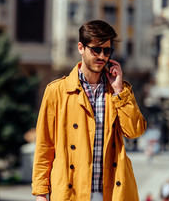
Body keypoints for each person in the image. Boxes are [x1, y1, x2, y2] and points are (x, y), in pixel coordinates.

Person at [32, 20, 147, 201]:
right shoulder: (57, 91)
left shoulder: (118, 90)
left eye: (107, 51)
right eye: (96, 50)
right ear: (81, 48)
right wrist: (40, 193)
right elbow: (44, 145)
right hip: (72, 192)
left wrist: (119, 91)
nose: (102, 56)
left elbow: (135, 131)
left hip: (112, 193)